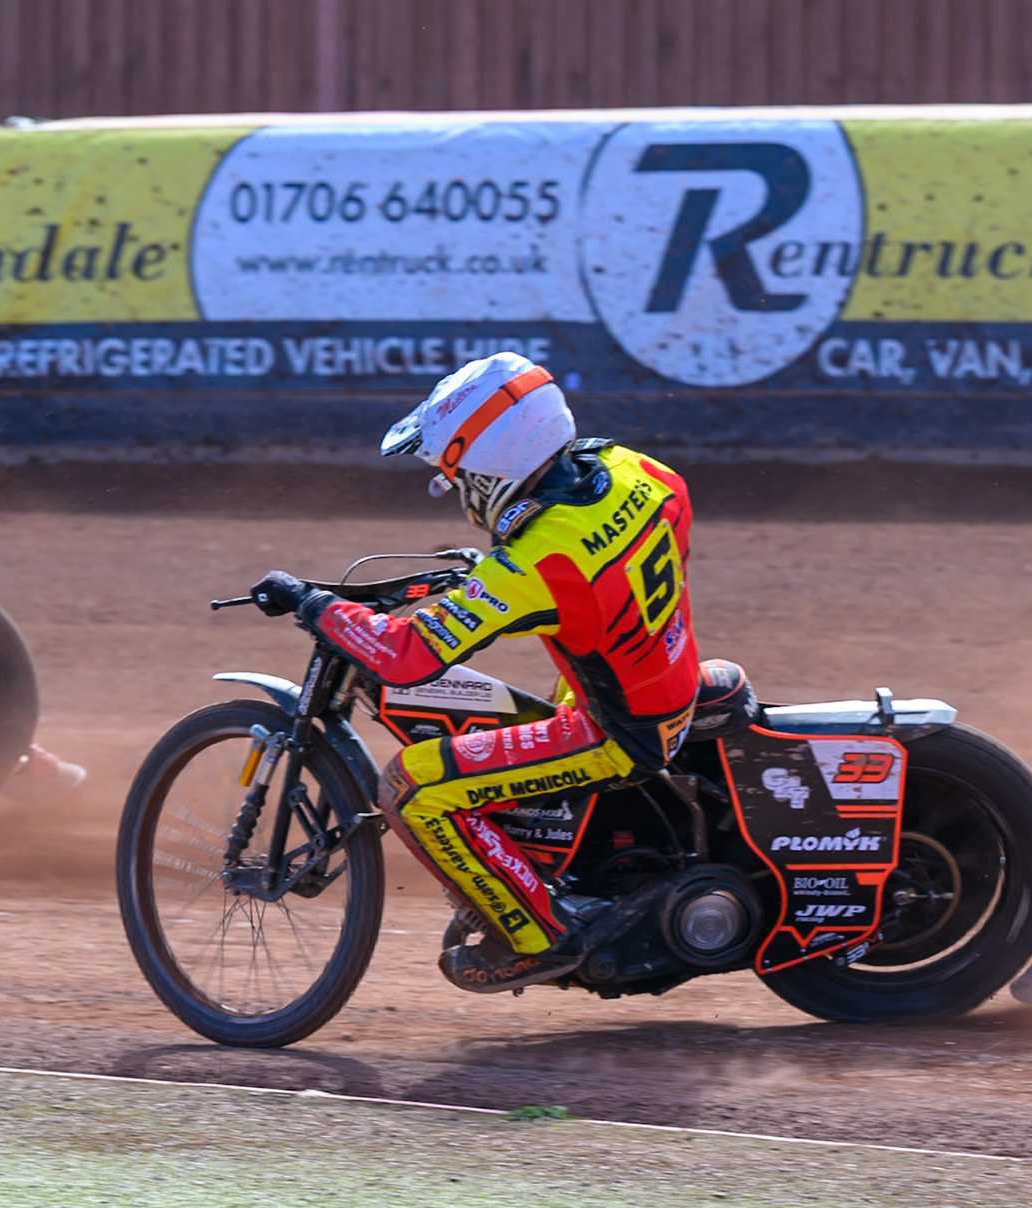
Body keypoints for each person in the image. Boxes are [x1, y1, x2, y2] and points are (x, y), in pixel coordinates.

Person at [249, 352, 700, 993]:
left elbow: (405, 657)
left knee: (411, 787)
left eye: (456, 475)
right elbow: (627, 562)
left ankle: (536, 935)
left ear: (492, 463)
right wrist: (503, 581)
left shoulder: (539, 561)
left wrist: (313, 603)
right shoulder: (639, 472)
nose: (457, 491)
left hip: (620, 731)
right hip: (665, 677)